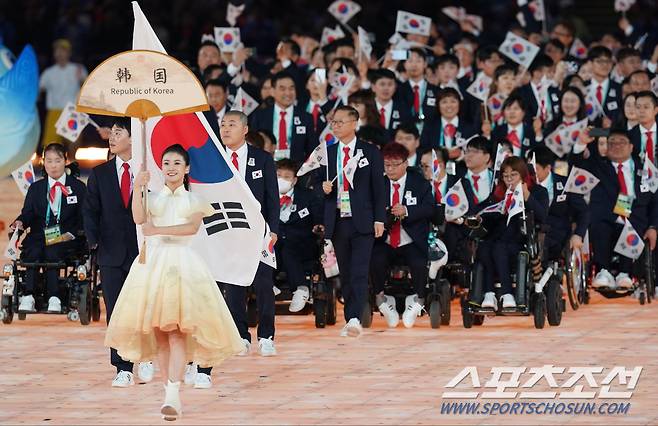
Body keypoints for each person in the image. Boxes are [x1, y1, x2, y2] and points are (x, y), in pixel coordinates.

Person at [104, 144, 243, 421]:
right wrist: (139, 189)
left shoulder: (196, 201)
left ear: (186, 168)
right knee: (160, 334)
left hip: (182, 265)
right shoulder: (152, 196)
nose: (171, 168)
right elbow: (138, 218)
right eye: (166, 163)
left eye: (177, 163)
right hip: (152, 266)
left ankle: (173, 392)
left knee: (178, 330)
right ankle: (169, 389)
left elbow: (190, 228)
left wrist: (157, 230)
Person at [83, 118, 153, 387]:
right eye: (110, 133)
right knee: (116, 311)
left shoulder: (149, 171)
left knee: (144, 308)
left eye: (118, 132)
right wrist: (94, 243)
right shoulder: (100, 174)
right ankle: (122, 366)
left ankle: (145, 356)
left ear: (134, 138)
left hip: (143, 251)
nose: (111, 137)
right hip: (111, 254)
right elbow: (90, 211)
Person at [321, 105, 385, 337]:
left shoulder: (370, 152)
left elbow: (379, 188)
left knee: (359, 270)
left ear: (354, 123)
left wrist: (380, 218)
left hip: (364, 219)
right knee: (346, 271)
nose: (335, 126)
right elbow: (317, 185)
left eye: (340, 122)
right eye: (333, 122)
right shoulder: (327, 153)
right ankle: (351, 315)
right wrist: (323, 188)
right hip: (338, 219)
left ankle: (355, 317)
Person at [572, 127, 658, 289]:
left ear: (632, 147)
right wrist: (581, 143)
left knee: (630, 224)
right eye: (612, 143)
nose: (617, 146)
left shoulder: (645, 168)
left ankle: (626, 273)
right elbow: (576, 167)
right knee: (600, 223)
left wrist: (654, 226)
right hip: (605, 218)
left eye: (622, 142)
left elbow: (655, 201)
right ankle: (603, 271)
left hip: (636, 219)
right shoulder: (598, 165)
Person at [12, 143, 86, 313]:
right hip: (40, 234)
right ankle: (28, 296)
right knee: (32, 250)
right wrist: (20, 222)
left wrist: (74, 234)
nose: (53, 165)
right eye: (49, 161)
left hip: (66, 235)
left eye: (58, 161)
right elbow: (28, 214)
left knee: (53, 251)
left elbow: (84, 217)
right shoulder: (36, 188)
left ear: (65, 160)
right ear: (44, 163)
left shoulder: (78, 188)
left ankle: (55, 297)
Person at [371, 143, 433, 328]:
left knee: (418, 262)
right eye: (386, 165)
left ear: (406, 163)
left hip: (410, 238)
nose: (390, 169)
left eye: (394, 164)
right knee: (376, 259)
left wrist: (407, 210)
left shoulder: (420, 183)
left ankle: (418, 300)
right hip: (386, 238)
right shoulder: (378, 184)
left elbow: (430, 209)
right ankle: (381, 300)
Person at [477, 156, 549, 310]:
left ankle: (507, 293)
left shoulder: (538, 191)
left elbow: (543, 216)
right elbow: (481, 209)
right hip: (496, 238)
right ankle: (489, 293)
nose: (509, 179)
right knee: (483, 248)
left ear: (522, 175)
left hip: (522, 241)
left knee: (499, 248)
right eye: (506, 176)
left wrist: (527, 195)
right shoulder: (498, 194)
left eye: (513, 175)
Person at [274, 159, 323, 312]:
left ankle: (301, 289)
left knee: (288, 248)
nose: (282, 179)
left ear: (294, 180)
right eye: (278, 175)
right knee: (274, 248)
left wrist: (318, 225)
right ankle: (267, 285)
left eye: (286, 176)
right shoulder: (267, 196)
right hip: (275, 243)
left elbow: (318, 218)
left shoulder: (308, 196)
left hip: (303, 244)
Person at [530, 145, 589, 262]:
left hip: (558, 235)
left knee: (544, 242)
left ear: (547, 168)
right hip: (531, 232)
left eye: (535, 168)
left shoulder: (565, 184)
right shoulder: (525, 186)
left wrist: (578, 234)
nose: (531, 173)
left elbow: (584, 211)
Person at [249, 71, 317, 164]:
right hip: (266, 167)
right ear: (272, 91)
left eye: (291, 88)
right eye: (282, 89)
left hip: (295, 171)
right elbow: (254, 145)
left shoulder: (306, 117)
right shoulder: (260, 116)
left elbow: (312, 149)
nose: (288, 93)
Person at [39, 39, 88, 148]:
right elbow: (39, 90)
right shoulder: (48, 72)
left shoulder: (78, 69)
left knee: (73, 144)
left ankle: (72, 165)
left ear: (69, 53)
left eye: (63, 50)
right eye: (57, 50)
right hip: (54, 111)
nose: (60, 53)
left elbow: (87, 88)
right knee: (50, 146)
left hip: (72, 110)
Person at [629, 91, 658, 165]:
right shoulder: (629, 136)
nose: (641, 111)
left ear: (655, 110)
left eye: (646, 107)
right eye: (638, 107)